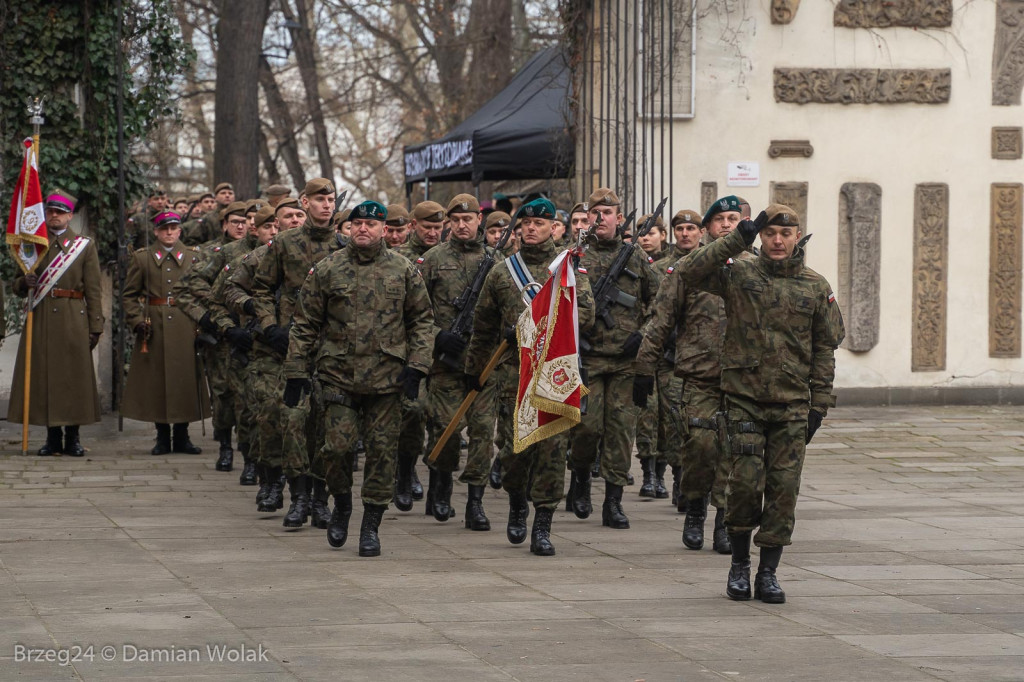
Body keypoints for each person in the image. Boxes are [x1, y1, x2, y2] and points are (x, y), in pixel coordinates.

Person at [671, 203, 845, 603]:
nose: (778, 241)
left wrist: (819, 404)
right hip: (744, 400)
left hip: (791, 405)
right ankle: (739, 565)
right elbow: (690, 270)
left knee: (783, 491)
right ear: (762, 237)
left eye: (785, 234)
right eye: (770, 234)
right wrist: (737, 237)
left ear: (798, 235)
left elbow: (825, 348)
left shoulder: (815, 286)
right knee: (744, 486)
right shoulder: (738, 272)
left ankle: (768, 572)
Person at [284, 200, 435, 556]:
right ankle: (342, 504)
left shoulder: (403, 270)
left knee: (382, 454)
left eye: (371, 223)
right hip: (339, 377)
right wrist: (296, 372)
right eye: (357, 223)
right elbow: (305, 324)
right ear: (348, 228)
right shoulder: (328, 269)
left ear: (385, 229)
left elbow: (422, 322)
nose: (363, 229)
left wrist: (417, 367)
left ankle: (371, 524)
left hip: (388, 381)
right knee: (335, 450)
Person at [465, 197, 593, 555]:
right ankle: (517, 502)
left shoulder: (568, 270)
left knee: (552, 452)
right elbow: (482, 327)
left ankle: (543, 523)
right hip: (513, 379)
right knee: (514, 452)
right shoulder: (502, 272)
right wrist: (473, 372)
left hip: (555, 377)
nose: (532, 228)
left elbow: (589, 318)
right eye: (527, 223)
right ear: (519, 228)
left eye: (541, 223)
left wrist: (545, 319)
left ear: (555, 228)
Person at [252, 178, 344, 529]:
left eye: (331, 199)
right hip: (293, 347)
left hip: (333, 350)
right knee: (292, 420)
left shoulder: (343, 245)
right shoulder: (284, 243)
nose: (326, 205)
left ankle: (321, 499)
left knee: (325, 425)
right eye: (319, 199)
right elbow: (261, 288)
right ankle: (298, 495)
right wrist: (269, 325)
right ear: (304, 203)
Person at [568, 188, 657, 530]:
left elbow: (659, 304)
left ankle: (613, 502)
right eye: (595, 212)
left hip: (624, 362)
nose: (601, 218)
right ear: (587, 217)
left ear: (620, 218)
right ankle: (580, 479)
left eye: (608, 212)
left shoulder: (635, 258)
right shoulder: (574, 256)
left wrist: (643, 335)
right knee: (587, 429)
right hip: (587, 359)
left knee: (621, 432)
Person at [418, 194, 500, 529]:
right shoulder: (432, 260)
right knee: (446, 433)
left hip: (485, 364)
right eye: (456, 220)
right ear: (449, 222)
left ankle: (475, 503)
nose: (463, 225)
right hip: (446, 365)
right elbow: (416, 312)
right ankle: (442, 484)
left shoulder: (498, 260)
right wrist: (438, 335)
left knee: (482, 434)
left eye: (468, 219)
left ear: (479, 220)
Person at [223, 197, 305, 516]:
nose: (294, 221)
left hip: (311, 350)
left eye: (300, 215)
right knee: (269, 414)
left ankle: (308, 490)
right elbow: (231, 290)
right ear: (274, 224)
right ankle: (271, 481)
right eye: (286, 217)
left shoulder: (327, 254)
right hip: (269, 349)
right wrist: (257, 313)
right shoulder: (260, 256)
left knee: (307, 420)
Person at [8, 190, 104, 456]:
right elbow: (16, 285)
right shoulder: (32, 245)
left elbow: (94, 289)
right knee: (45, 377)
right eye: (50, 211)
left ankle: (72, 438)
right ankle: (52, 438)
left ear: (70, 216)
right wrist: (22, 282)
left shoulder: (84, 246)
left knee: (73, 378)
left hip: (73, 317)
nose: (54, 216)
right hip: (40, 318)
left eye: (60, 212)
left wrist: (96, 325)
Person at [122, 211, 209, 454]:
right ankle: (162, 437)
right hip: (154, 327)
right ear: (156, 232)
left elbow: (202, 292)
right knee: (156, 380)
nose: (169, 232)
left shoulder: (194, 257)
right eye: (164, 229)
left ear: (180, 231)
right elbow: (129, 296)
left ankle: (182, 436)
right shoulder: (143, 259)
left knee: (184, 380)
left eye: (173, 228)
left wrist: (201, 322)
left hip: (185, 324)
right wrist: (137, 320)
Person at [172, 200, 249, 471]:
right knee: (223, 395)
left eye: (246, 221)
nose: (241, 226)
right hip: (220, 337)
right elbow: (183, 290)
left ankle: (251, 454)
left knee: (249, 397)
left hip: (251, 335)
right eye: (235, 221)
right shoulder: (210, 253)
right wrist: (205, 317)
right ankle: (225, 447)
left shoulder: (265, 250)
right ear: (224, 224)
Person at [632, 214, 670, 499]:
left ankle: (663, 474)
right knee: (646, 413)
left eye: (651, 232)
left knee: (668, 416)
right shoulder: (633, 263)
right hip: (637, 350)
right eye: (641, 233)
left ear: (663, 235)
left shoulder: (672, 266)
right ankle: (648, 473)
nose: (646, 237)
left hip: (669, 352)